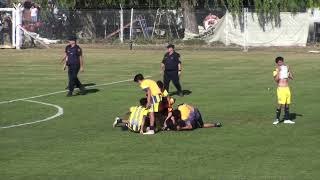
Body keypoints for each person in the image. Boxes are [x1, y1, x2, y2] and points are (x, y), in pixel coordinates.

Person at [272, 57, 295, 125]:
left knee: (287, 104)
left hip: (287, 88)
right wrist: (279, 71)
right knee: (280, 104)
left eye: (282, 62)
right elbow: (276, 80)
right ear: (277, 63)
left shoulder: (285, 69)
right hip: (281, 89)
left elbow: (292, 77)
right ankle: (277, 119)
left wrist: (289, 70)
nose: (281, 63)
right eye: (279, 62)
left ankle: (287, 119)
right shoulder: (275, 70)